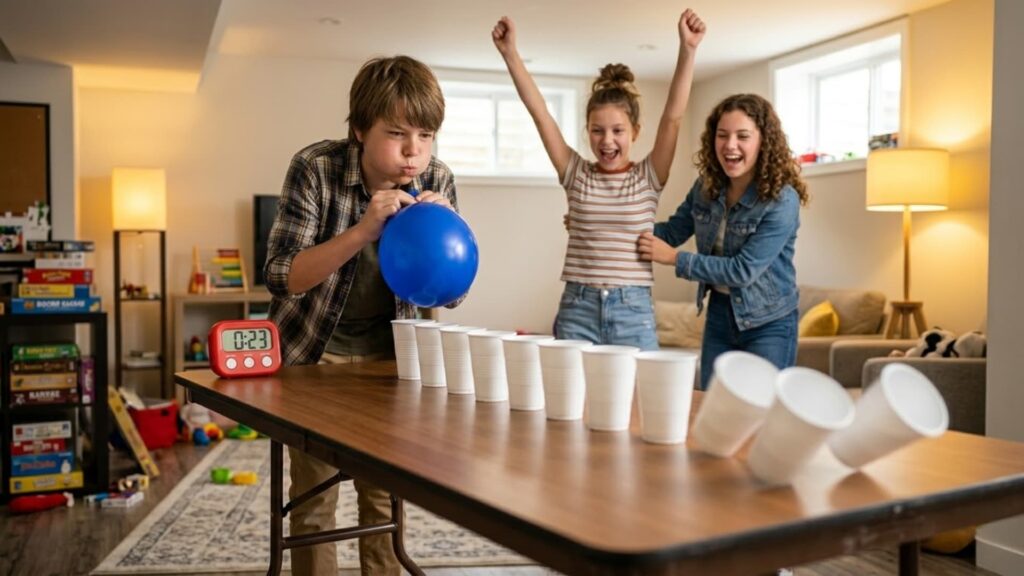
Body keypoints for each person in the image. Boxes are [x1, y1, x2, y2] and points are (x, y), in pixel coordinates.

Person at [263, 55, 463, 576]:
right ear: (358, 129)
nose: (413, 151)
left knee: (384, 501)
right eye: (397, 133)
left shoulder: (437, 177)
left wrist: (446, 240)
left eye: (425, 135)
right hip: (314, 356)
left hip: (393, 360)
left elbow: (450, 297)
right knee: (312, 506)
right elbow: (282, 276)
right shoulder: (315, 168)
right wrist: (361, 231)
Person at [492, 9, 705, 350]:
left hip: (632, 310)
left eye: (618, 130)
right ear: (587, 132)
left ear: (634, 131)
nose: (607, 141)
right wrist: (511, 55)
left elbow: (673, 118)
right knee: (573, 401)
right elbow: (541, 114)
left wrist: (688, 50)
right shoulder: (576, 174)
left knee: (635, 401)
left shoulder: (648, 178)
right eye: (597, 130)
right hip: (578, 307)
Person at [638, 93, 809, 389]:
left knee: (758, 413)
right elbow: (672, 231)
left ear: (763, 141)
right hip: (720, 313)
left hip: (769, 322)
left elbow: (742, 271)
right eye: (722, 135)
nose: (730, 145)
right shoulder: (706, 187)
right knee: (710, 406)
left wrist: (675, 259)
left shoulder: (782, 200)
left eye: (743, 136)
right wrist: (609, 227)